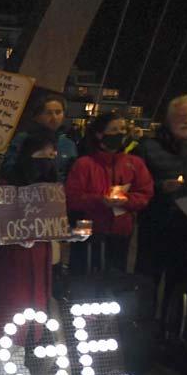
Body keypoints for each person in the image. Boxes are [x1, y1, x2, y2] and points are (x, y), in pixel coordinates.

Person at [0, 128, 61, 375]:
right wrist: (16, 233)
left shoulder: (52, 189)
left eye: (51, 155)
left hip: (37, 261)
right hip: (13, 264)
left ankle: (20, 358)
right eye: (42, 155)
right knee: (9, 308)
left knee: (32, 309)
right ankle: (0, 362)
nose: (47, 161)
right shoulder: (6, 188)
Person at [65, 112, 153, 275]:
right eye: (113, 129)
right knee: (83, 276)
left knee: (113, 277)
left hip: (120, 231)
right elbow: (72, 198)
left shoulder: (134, 163)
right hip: (87, 230)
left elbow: (145, 194)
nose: (119, 133)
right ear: (100, 134)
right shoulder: (84, 164)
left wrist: (126, 200)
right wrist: (99, 200)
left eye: (122, 129)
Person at [134, 94, 187, 304]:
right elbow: (132, 185)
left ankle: (172, 329)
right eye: (182, 116)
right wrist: (160, 187)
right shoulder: (148, 147)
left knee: (180, 283)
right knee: (146, 280)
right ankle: (141, 325)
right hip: (155, 223)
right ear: (169, 119)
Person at [3, 93, 78, 176]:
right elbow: (8, 170)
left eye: (58, 112)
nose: (54, 117)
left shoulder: (68, 143)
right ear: (37, 116)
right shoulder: (23, 138)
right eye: (48, 113)